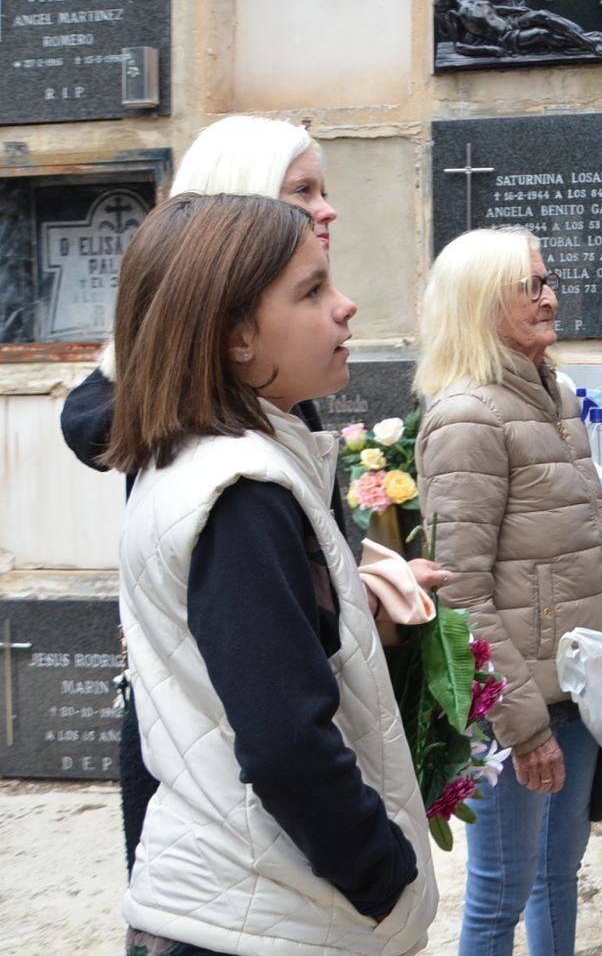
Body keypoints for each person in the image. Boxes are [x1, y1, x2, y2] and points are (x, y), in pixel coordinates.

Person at [58, 114, 449, 876]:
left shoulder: (263, 385)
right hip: (229, 819)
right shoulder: (221, 458)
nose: (328, 210)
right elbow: (277, 733)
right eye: (303, 190)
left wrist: (355, 577)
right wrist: (385, 875)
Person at [108, 193, 438, 955]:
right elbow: (286, 742)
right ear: (237, 339)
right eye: (313, 290)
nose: (346, 306)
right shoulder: (240, 493)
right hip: (259, 919)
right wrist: (381, 873)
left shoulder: (212, 464)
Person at [414, 228, 602, 956]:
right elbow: (462, 593)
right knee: (500, 891)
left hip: (570, 685)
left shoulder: (557, 396)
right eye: (529, 286)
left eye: (547, 280)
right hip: (518, 706)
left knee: (557, 875)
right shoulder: (467, 417)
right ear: (482, 304)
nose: (550, 297)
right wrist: (522, 723)